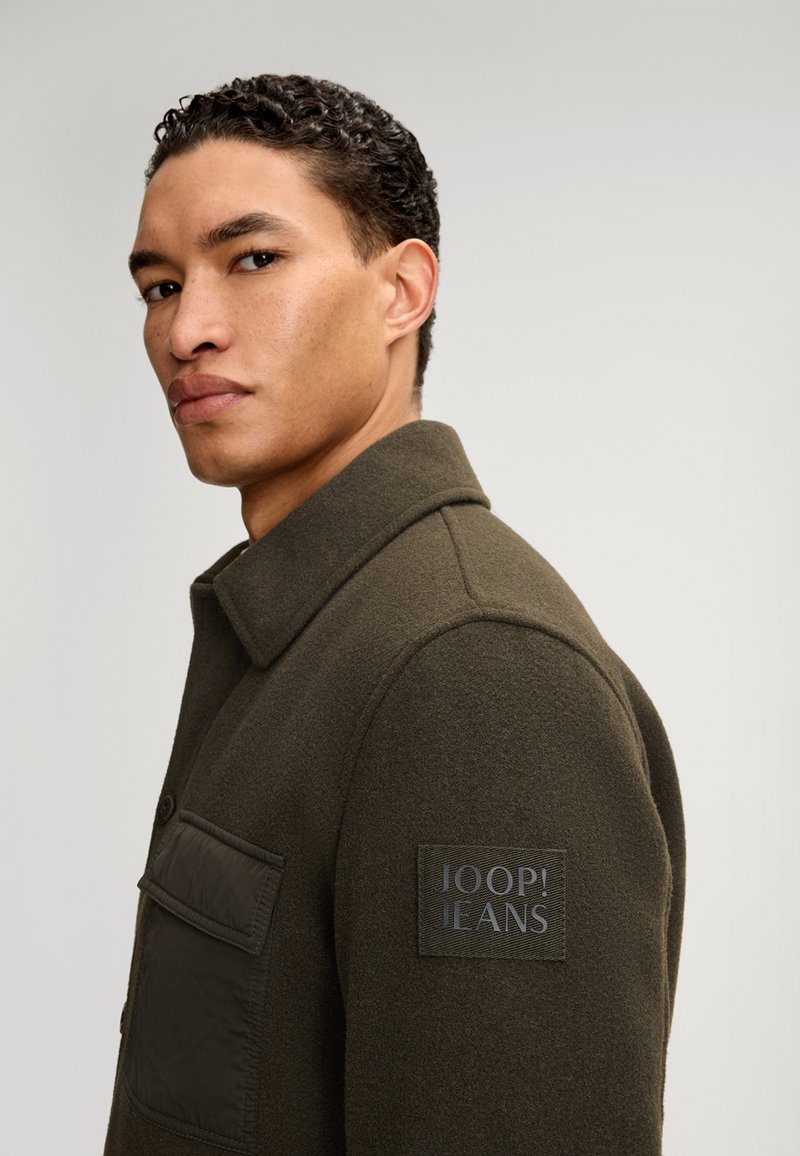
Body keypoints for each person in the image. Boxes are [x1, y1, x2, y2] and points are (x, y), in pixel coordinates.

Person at [103, 74, 685, 1156]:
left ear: (401, 292)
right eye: (160, 285)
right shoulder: (301, 632)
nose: (187, 329)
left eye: (253, 260)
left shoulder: (474, 672)